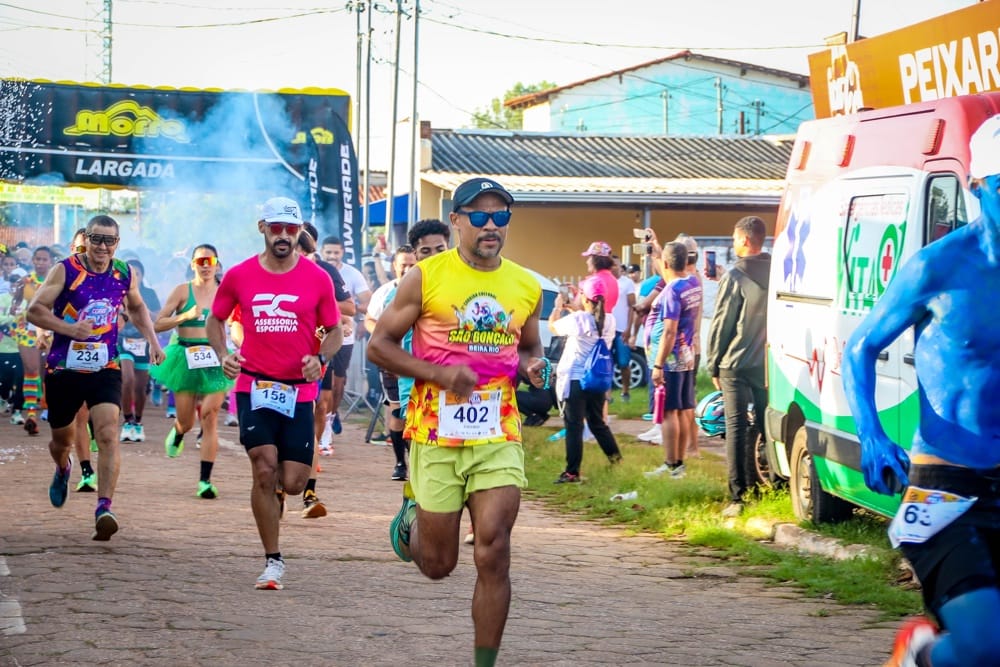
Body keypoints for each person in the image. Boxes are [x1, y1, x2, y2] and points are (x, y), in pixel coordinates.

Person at [368, 177, 546, 667]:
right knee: (438, 564)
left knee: (494, 549)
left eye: (500, 216)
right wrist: (440, 374)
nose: (491, 225)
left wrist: (533, 366)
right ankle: (412, 519)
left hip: (498, 431)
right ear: (457, 221)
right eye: (479, 216)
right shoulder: (425, 277)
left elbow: (529, 345)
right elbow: (379, 346)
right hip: (435, 432)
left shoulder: (525, 284)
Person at [843, 115, 1000, 667]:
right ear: (976, 187)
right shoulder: (936, 268)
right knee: (986, 644)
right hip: (948, 485)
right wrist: (871, 436)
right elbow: (860, 348)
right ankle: (922, 654)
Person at [206, 196, 341, 590]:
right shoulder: (240, 275)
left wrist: (320, 358)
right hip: (254, 384)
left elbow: (334, 330)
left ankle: (281, 492)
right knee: (263, 467)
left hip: (299, 390)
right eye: (276, 227)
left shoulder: (317, 278)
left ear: (299, 231)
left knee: (294, 481)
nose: (283, 235)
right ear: (262, 227)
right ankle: (273, 560)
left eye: (291, 228)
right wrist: (223, 355)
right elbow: (215, 319)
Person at [27, 214, 164, 540]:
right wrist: (68, 328)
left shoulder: (123, 272)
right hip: (64, 368)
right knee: (61, 442)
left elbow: (138, 308)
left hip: (105, 366)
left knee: (107, 432)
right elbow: (35, 310)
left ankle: (104, 507)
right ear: (86, 239)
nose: (102, 246)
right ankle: (63, 467)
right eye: (96, 239)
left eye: (109, 240)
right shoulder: (66, 269)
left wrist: (153, 341)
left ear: (117, 243)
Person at [152, 244, 234, 499]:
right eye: (200, 261)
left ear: (217, 264)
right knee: (187, 421)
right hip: (185, 356)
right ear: (193, 264)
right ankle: (179, 431)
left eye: (210, 261)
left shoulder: (225, 292)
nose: (206, 266)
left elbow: (237, 322)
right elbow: (158, 323)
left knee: (209, 415)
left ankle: (205, 481)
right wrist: (184, 316)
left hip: (215, 358)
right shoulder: (182, 291)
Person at [705, 215, 770, 518]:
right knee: (766, 423)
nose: (733, 243)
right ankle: (772, 483)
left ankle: (739, 495)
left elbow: (722, 324)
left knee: (736, 426)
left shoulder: (735, 276)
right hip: (767, 363)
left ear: (744, 239)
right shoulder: (779, 272)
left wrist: (713, 365)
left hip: (736, 363)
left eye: (733, 239)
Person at [295, 224, 355, 519]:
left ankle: (310, 492)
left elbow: (348, 310)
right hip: (272, 362)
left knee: (313, 412)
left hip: (313, 356)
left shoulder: (322, 274)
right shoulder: (263, 272)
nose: (300, 254)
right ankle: (279, 485)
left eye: (305, 249)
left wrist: (336, 323)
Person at [548, 274, 622, 483]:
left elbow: (553, 326)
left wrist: (558, 307)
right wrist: (575, 308)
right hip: (597, 380)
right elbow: (591, 320)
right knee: (598, 423)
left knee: (574, 426)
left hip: (575, 380)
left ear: (586, 299)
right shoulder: (610, 320)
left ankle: (572, 472)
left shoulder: (578, 320)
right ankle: (616, 460)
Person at [643, 242, 702, 480]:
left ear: (666, 264)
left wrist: (658, 364)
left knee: (669, 412)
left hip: (670, 357)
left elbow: (669, 331)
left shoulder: (672, 292)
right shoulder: (692, 283)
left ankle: (671, 464)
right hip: (686, 354)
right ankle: (679, 464)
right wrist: (658, 251)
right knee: (680, 410)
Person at [364, 245, 417, 481]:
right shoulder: (385, 293)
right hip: (393, 362)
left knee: (419, 412)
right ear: (394, 266)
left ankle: (418, 463)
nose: (407, 269)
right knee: (397, 411)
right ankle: (400, 463)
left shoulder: (428, 289)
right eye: (403, 265)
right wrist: (384, 338)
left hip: (421, 363)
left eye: (412, 265)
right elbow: (369, 319)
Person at [318, 235, 371, 442]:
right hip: (320, 333)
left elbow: (368, 302)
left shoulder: (352, 274)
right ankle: (323, 423)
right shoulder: (317, 270)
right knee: (325, 382)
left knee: (338, 382)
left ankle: (332, 415)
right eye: (328, 252)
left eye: (336, 252)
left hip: (345, 334)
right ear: (322, 252)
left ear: (342, 253)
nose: (332, 256)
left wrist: (350, 311)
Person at [11, 245, 55, 435]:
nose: (40, 263)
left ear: (51, 262)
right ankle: (30, 414)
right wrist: (15, 307)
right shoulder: (25, 281)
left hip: (51, 330)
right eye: (37, 259)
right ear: (33, 261)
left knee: (49, 371)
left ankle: (49, 407)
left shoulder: (57, 281)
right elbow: (16, 302)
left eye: (44, 259)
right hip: (28, 330)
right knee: (31, 369)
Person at [118, 257, 161, 443]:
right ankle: (127, 419)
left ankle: (137, 422)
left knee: (140, 386)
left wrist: (143, 311)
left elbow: (157, 318)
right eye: (131, 273)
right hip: (123, 341)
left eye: (137, 273)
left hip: (143, 342)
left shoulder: (149, 294)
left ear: (142, 276)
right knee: (127, 379)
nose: (134, 276)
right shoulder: (118, 291)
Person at [610, 255, 636, 401]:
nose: (615, 268)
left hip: (622, 329)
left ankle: (625, 391)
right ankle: (607, 394)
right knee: (607, 363)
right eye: (612, 265)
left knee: (623, 362)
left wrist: (628, 328)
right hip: (607, 330)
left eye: (617, 265)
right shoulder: (606, 282)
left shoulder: (627, 283)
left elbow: (632, 306)